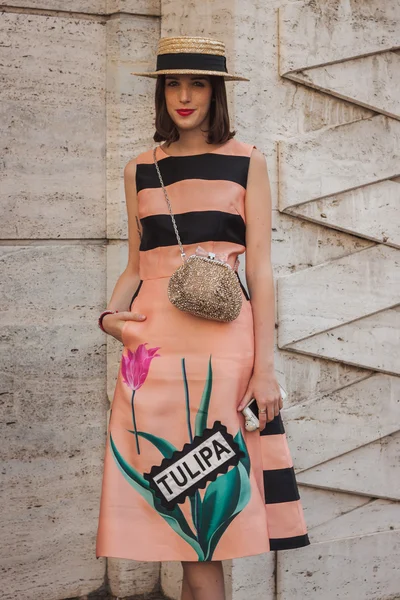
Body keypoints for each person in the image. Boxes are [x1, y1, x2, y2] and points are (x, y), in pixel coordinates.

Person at [95, 35, 310, 600]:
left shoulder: (248, 162)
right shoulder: (139, 169)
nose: (183, 96)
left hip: (224, 351)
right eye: (173, 83)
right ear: (161, 92)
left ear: (216, 93)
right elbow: (135, 266)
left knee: (204, 517)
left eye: (197, 84)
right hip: (153, 355)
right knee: (180, 519)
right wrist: (111, 320)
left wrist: (265, 369)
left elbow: (260, 271)